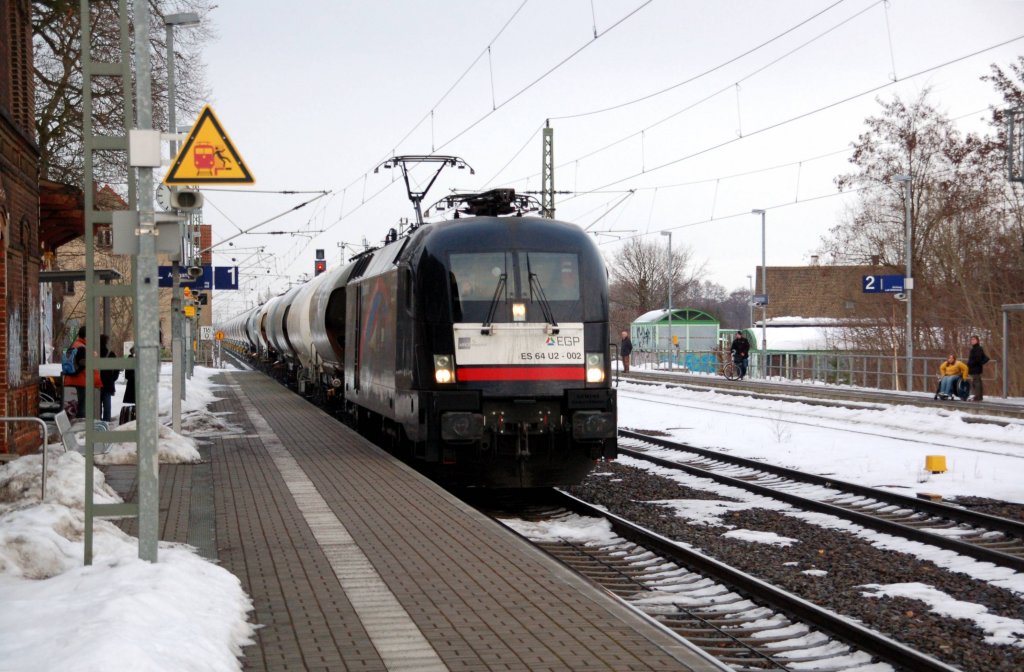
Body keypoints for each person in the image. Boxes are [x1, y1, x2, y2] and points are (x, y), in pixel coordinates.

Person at [62, 326, 101, 418]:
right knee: (81, 411)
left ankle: (74, 429)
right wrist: (92, 357)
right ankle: (81, 430)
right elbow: (83, 363)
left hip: (70, 381)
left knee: (72, 409)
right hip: (81, 383)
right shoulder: (82, 348)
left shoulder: (74, 345)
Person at [99, 334, 121, 422]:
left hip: (96, 381)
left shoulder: (94, 353)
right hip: (108, 382)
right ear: (106, 342)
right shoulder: (110, 354)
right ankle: (106, 421)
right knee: (107, 403)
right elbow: (116, 369)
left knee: (97, 403)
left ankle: (97, 420)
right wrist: (113, 378)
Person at [966, 335, 989, 402]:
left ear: (977, 340)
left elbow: (977, 359)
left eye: (974, 339)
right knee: (977, 382)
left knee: (976, 383)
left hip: (975, 368)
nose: (972, 341)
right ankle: (979, 396)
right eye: (971, 339)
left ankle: (978, 396)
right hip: (974, 367)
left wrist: (970, 364)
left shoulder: (978, 348)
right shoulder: (975, 348)